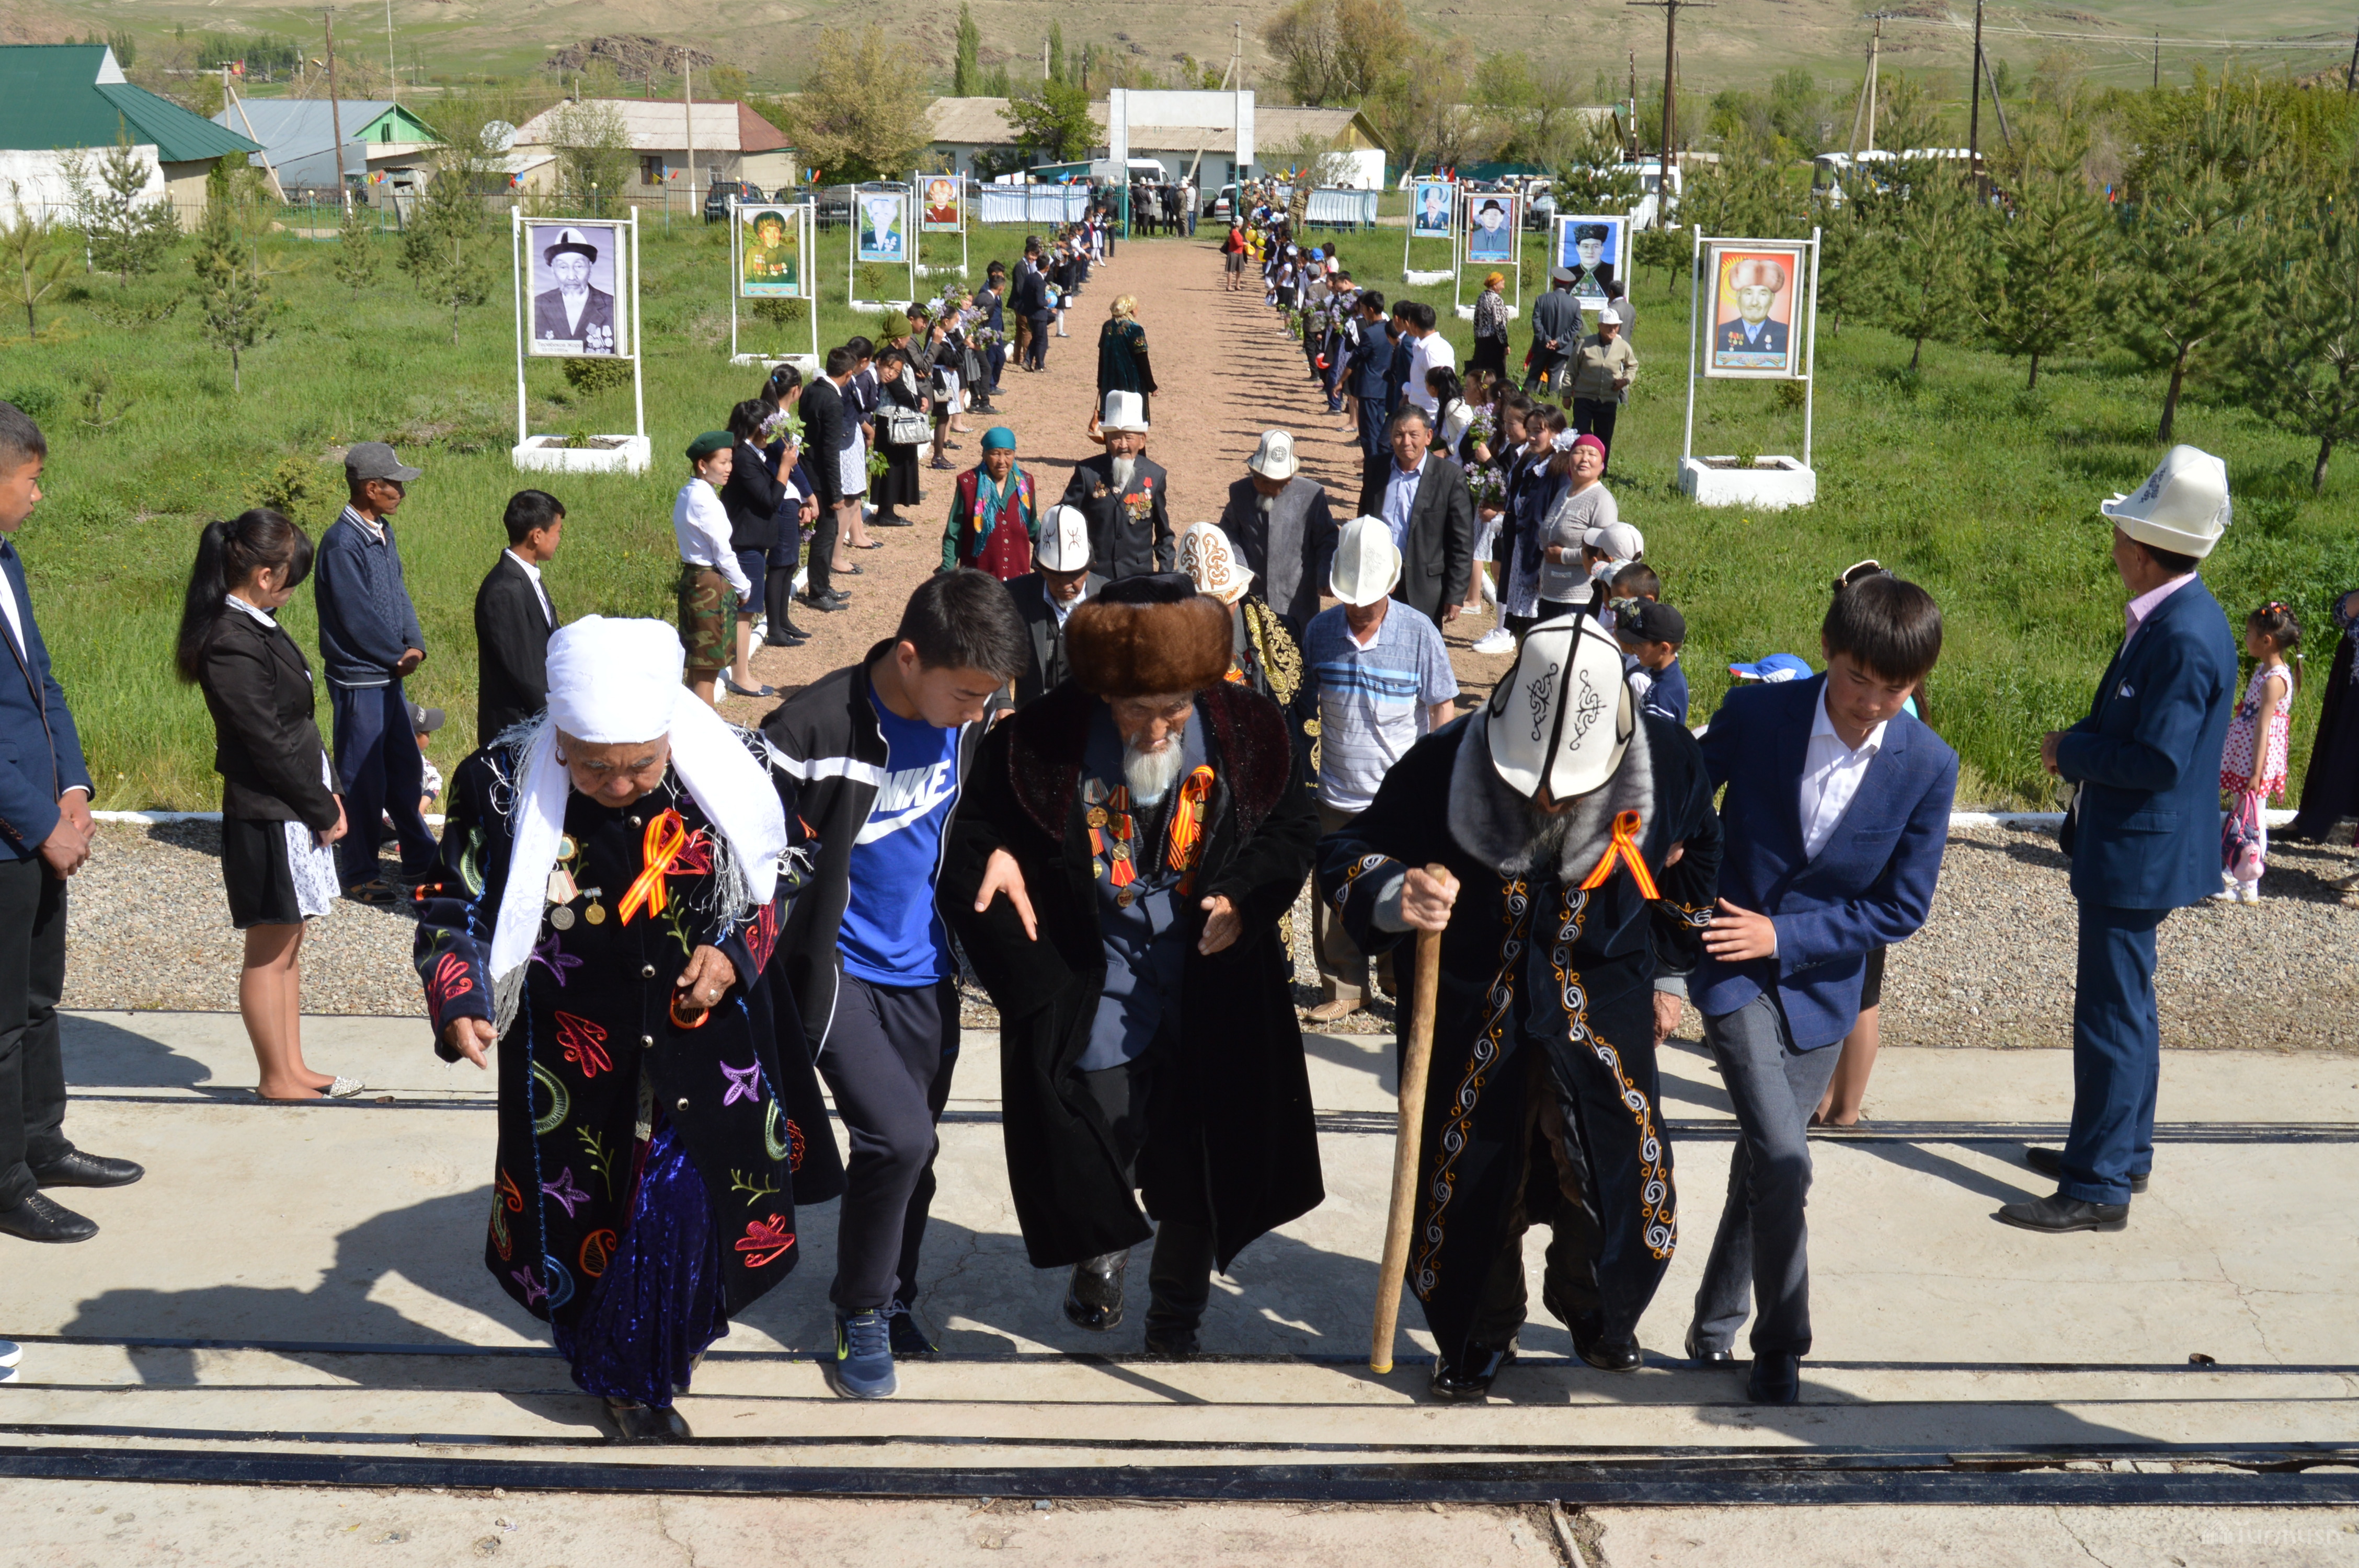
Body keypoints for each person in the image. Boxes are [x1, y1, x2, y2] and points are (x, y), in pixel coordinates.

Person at [417, 616, 835, 1442]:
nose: (619, 784)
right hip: (571, 1056)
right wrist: (459, 995)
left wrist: (732, 955)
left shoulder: (735, 769)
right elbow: (448, 901)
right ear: (559, 737)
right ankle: (625, 1371)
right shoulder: (499, 781)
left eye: (642, 765)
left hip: (705, 1047)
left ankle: (642, 1369)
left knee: (685, 1207)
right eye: (594, 767)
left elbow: (788, 863)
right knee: (590, 1220)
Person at [1318, 615, 1722, 1399]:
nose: (1544, 795)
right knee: (1475, 1176)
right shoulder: (1443, 763)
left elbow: (1701, 846)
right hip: (1476, 998)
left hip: (1603, 995)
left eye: (1564, 787)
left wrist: (1672, 967)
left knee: (1611, 1170)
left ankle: (1592, 1303)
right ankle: (1481, 1327)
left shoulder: (1668, 758)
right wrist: (1398, 894)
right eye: (1528, 781)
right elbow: (1346, 849)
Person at [940, 573, 1324, 1358]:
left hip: (1209, 973)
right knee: (1096, 1121)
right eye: (1136, 711)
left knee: (1198, 1160)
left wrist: (1244, 898)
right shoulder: (1035, 743)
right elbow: (971, 832)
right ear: (1102, 692)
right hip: (1101, 968)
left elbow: (1293, 830)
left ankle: (1175, 1322)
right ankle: (1103, 1243)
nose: (1156, 730)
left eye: (1174, 710)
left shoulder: (1253, 730)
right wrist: (996, 856)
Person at [1683, 577, 1956, 1404]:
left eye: (1893, 690)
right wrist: (1679, 882)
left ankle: (1713, 1326)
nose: (1870, 704)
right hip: (1730, 965)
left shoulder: (1928, 764)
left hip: (1825, 994)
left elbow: (1902, 907)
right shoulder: (1758, 713)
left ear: (1918, 683)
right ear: (1827, 651)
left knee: (1765, 1165)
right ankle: (1783, 1345)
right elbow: (1686, 802)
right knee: (1785, 1155)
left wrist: (1788, 936)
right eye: (1856, 679)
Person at [760, 572, 1030, 1398]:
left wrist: (1000, 850)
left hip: (926, 968)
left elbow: (980, 810)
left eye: (989, 696)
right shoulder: (809, 729)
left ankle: (895, 1292)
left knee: (914, 1149)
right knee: (901, 1137)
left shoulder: (968, 725)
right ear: (909, 658)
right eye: (967, 694)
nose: (978, 712)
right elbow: (751, 860)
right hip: (835, 968)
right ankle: (863, 1310)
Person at [2016, 446, 2238, 1235]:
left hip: (2137, 853)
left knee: (2111, 1017)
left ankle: (2099, 1182)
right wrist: (2082, 739)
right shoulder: (2178, 616)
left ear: (2142, 551)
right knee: (2129, 1009)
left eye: (2120, 534)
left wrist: (2070, 752)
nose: (2113, 545)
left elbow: (2157, 759)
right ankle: (2120, 1152)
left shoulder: (2181, 636)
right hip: (2143, 847)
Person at [0, 405, 133, 1257]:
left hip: (43, 818)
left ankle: (42, 1141)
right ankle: (5, 1181)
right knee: (0, 1022)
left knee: (38, 998)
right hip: (9, 834)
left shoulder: (6, 560)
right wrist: (40, 821)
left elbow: (42, 683)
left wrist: (74, 788)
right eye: (31, 478)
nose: (40, 495)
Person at [175, 508, 360, 1102]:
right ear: (263, 575)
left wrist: (328, 792)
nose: (291, 591)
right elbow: (266, 741)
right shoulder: (231, 640)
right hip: (268, 812)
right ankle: (276, 1077)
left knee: (290, 945)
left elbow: (296, 724)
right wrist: (321, 808)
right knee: (267, 951)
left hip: (293, 805)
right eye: (289, 580)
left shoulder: (258, 625)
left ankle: (294, 1067)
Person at [1299, 520, 1457, 1023]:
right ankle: (1345, 986)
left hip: (1397, 796)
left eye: (1367, 597)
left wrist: (1435, 778)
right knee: (1333, 894)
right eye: (1350, 597)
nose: (1358, 606)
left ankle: (1396, 980)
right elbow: (1304, 711)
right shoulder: (1320, 633)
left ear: (1390, 585)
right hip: (1335, 789)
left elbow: (1442, 706)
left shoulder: (1419, 632)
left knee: (1401, 887)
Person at [315, 442, 436, 903]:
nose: (402, 493)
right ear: (371, 488)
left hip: (389, 676)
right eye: (395, 485)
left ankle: (421, 858)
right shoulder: (341, 543)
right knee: (363, 779)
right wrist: (395, 655)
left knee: (405, 770)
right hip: (359, 678)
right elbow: (355, 615)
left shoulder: (383, 532)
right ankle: (358, 871)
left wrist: (415, 643)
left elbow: (399, 593)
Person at [2216, 603, 2299, 905]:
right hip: (2247, 755)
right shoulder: (2263, 671)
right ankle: (2235, 868)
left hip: (2256, 760)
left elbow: (2263, 728)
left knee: (2254, 818)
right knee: (2242, 814)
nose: (2246, 638)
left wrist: (2256, 772)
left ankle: (2249, 883)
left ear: (2267, 641)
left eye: (2250, 633)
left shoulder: (2274, 680)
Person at [1216, 430, 1337, 637]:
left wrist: (1326, 573)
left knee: (1296, 649)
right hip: (1252, 596)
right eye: (1257, 478)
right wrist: (1239, 568)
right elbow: (1228, 533)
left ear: (1288, 480)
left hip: (1297, 600)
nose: (1261, 485)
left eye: (1269, 481)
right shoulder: (1240, 493)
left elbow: (1327, 538)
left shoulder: (1311, 495)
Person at [672, 432, 755, 710]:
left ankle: (688, 729)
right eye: (723, 462)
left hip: (692, 580)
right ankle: (707, 733)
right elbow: (723, 553)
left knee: (696, 668)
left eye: (730, 461)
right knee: (706, 675)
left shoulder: (688, 492)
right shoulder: (704, 500)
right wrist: (744, 587)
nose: (729, 468)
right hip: (709, 585)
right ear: (703, 465)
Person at [475, 489, 563, 744]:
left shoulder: (528, 577)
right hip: (516, 732)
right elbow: (525, 671)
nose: (559, 539)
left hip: (537, 725)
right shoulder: (503, 590)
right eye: (557, 532)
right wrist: (559, 720)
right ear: (537, 535)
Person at [1375, 407, 1475, 630]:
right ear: (1391, 437)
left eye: (1413, 435)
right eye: (1399, 435)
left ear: (1429, 436)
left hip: (1425, 588)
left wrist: (1456, 594)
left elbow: (1462, 542)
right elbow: (1365, 521)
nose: (1406, 442)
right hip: (1379, 580)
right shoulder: (1376, 469)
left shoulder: (1449, 477)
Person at [1060, 391, 1173, 581]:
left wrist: (1166, 576)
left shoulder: (1155, 475)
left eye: (1129, 438)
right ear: (1106, 439)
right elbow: (1064, 517)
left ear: (1142, 440)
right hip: (1095, 575)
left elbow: (1164, 534)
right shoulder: (1088, 472)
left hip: (1138, 576)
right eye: (1115, 438)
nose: (1123, 445)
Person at [718, 400, 787, 700]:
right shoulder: (744, 459)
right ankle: (740, 677)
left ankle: (741, 673)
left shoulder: (750, 453)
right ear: (761, 428)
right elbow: (770, 500)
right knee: (745, 612)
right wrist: (785, 468)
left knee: (748, 610)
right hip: (745, 545)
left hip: (753, 543)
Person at [1009, 505, 1103, 707]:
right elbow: (991, 654)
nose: (1065, 586)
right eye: (1054, 578)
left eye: (1074, 577)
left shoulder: (1109, 599)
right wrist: (1003, 704)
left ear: (1090, 568)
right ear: (1041, 570)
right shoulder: (1014, 595)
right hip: (1033, 715)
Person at [797, 347, 856, 616]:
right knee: (825, 535)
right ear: (848, 374)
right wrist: (836, 494)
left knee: (827, 534)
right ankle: (818, 591)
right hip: (821, 477)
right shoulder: (833, 402)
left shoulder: (811, 389)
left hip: (807, 467)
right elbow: (831, 452)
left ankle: (823, 585)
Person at [1536, 436, 1619, 621]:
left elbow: (1605, 552)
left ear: (1602, 465)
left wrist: (1564, 556)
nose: (1584, 459)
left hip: (1579, 599)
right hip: (1549, 595)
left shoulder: (1601, 499)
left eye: (1592, 454)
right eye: (1579, 452)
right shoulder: (1563, 493)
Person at [941, 426, 1037, 581]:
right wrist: (946, 575)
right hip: (980, 582)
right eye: (995, 454)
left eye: (1008, 454)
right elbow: (954, 533)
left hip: (1018, 579)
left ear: (1014, 455)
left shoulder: (1025, 484)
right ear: (984, 455)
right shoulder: (969, 484)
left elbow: (1032, 526)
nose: (1002, 461)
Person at [1345, 291, 1397, 515]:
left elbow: (1354, 360)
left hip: (1369, 389)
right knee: (1379, 434)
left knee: (1370, 436)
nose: (1362, 312)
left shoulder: (1370, 333)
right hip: (1386, 389)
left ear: (1370, 310)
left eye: (1364, 309)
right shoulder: (1391, 330)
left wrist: (1340, 382)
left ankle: (1373, 477)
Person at [1570, 307, 1638, 468]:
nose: (1613, 329)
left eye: (1616, 326)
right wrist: (1567, 394)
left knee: (1604, 437)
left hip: (1608, 399)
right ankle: (1579, 467)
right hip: (1584, 398)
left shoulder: (1623, 346)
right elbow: (1571, 369)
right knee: (1581, 433)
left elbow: (1633, 366)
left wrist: (1625, 381)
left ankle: (1601, 469)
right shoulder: (1585, 344)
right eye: (1609, 326)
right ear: (1599, 326)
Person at [531, 228, 617, 353]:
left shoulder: (612, 305)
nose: (571, 277)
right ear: (553, 270)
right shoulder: (538, 305)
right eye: (563, 267)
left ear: (590, 268)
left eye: (579, 266)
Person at [871, 342, 929, 518]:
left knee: (899, 465)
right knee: (892, 466)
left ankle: (889, 509)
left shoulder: (899, 356)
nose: (892, 373)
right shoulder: (888, 357)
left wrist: (922, 397)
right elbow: (899, 390)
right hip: (891, 419)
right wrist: (918, 402)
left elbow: (909, 385)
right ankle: (886, 512)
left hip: (899, 417)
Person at [1618, 601, 1689, 725]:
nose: (1634, 648)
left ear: (1664, 649)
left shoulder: (1661, 696)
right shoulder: (1674, 679)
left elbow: (1657, 737)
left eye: (1640, 644)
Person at [1096, 296, 1158, 424]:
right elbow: (1142, 359)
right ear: (1131, 310)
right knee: (1133, 419)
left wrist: (1100, 383)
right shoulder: (1135, 329)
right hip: (1131, 381)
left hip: (1110, 381)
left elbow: (1102, 357)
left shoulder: (1107, 327)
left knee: (1113, 419)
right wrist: (1152, 386)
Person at [1527, 267, 1585, 394]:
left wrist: (1546, 340)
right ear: (1568, 286)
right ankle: (1552, 401)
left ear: (1554, 283)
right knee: (1555, 376)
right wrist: (1559, 342)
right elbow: (1576, 326)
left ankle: (1525, 399)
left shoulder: (1542, 299)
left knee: (1534, 375)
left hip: (1542, 345)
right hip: (1562, 348)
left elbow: (1536, 322)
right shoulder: (1575, 303)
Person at [1716, 259, 1790, 358]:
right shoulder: (1720, 332)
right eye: (1748, 293)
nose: (1755, 302)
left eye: (1763, 294)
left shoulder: (1785, 333)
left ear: (1772, 299)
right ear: (1738, 297)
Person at [1012, 239, 1053, 372]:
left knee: (1035, 338)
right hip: (1039, 315)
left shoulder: (1030, 278)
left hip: (1029, 314)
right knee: (1042, 341)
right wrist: (1047, 302)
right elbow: (1040, 302)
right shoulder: (1041, 282)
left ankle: (1027, 361)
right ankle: (1039, 365)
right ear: (1047, 268)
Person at [1470, 271, 1511, 380]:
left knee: (1482, 375)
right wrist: (1505, 344)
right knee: (1497, 374)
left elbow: (1476, 320)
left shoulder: (1481, 297)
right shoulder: (1496, 299)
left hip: (1481, 342)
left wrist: (1476, 339)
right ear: (1495, 285)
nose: (1503, 287)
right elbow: (1499, 323)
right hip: (1494, 342)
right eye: (1502, 284)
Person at [1221, 220, 1247, 291]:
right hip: (1234, 253)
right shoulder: (1234, 232)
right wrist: (1244, 244)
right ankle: (1229, 286)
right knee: (1231, 270)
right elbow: (1238, 243)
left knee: (1239, 270)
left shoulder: (1238, 232)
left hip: (1240, 253)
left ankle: (1237, 286)